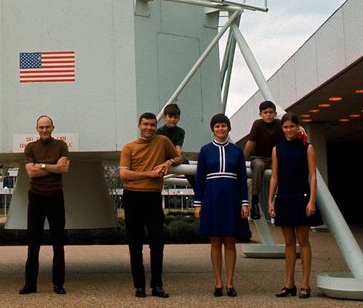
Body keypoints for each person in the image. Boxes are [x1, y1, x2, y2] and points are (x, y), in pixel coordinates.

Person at [119, 112, 182, 298]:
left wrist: (168, 162)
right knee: (135, 244)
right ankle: (139, 286)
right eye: (145, 124)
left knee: (157, 243)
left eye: (152, 124)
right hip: (132, 197)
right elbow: (124, 174)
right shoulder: (129, 147)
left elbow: (179, 157)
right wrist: (149, 174)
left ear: (156, 126)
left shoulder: (162, 141)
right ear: (139, 125)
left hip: (153, 199)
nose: (149, 127)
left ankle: (157, 286)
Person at [194, 114, 250, 297]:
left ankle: (230, 283)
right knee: (215, 241)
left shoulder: (236, 151)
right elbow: (199, 179)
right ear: (212, 129)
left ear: (228, 128)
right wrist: (198, 203)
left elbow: (242, 178)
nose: (220, 129)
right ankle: (218, 282)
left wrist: (244, 202)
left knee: (230, 241)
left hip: (232, 198)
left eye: (223, 126)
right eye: (217, 126)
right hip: (211, 199)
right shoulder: (205, 150)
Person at [268, 113, 323, 299]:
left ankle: (305, 284)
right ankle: (289, 284)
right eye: (285, 127)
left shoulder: (307, 148)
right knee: (289, 243)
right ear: (281, 128)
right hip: (283, 198)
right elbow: (274, 177)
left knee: (304, 241)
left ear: (298, 127)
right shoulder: (277, 149)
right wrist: (270, 200)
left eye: (292, 126)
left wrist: (312, 200)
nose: (288, 130)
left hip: (302, 197)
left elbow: (313, 176)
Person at [19, 115, 70, 295]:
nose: (44, 130)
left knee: (58, 242)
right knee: (33, 243)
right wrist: (51, 166)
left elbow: (64, 169)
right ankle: (30, 284)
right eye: (41, 127)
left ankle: (58, 284)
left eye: (47, 127)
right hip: (36, 197)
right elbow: (31, 174)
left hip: (56, 197)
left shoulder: (61, 146)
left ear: (53, 128)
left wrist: (40, 166)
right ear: (36, 128)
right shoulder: (30, 147)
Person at [243, 100, 282, 219]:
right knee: (259, 166)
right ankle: (255, 200)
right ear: (260, 114)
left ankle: (278, 203)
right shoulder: (257, 124)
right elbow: (250, 143)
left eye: (270, 112)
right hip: (258, 158)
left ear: (275, 113)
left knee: (282, 170)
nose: (268, 114)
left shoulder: (280, 124)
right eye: (265, 112)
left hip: (275, 158)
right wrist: (242, 161)